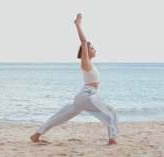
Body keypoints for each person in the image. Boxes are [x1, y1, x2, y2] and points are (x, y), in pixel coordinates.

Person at [30, 13, 119, 145]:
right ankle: (112, 139)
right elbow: (83, 41)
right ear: (86, 51)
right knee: (110, 112)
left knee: (61, 116)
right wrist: (78, 24)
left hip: (82, 96)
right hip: (88, 95)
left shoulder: (91, 65)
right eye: (92, 48)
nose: (95, 50)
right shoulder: (86, 63)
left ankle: (37, 134)